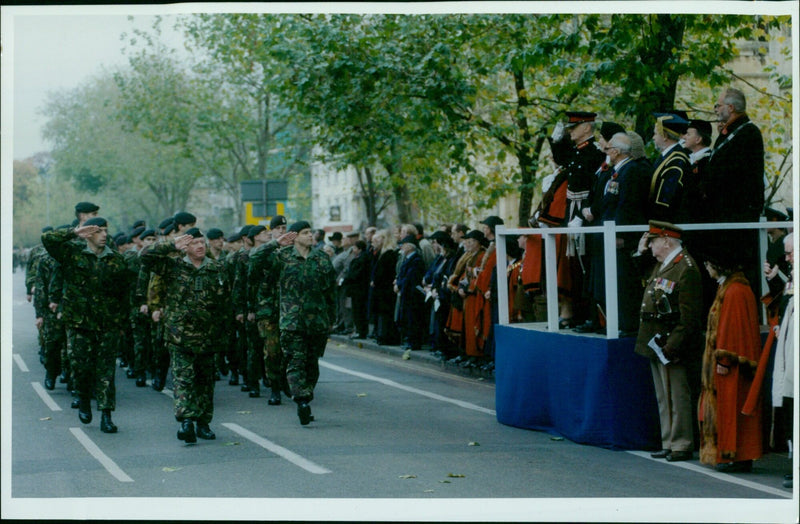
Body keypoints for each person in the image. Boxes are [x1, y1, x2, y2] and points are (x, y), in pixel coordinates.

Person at [142, 228, 230, 444]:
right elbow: (144, 256)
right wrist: (171, 244)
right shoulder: (173, 266)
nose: (199, 246)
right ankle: (186, 422)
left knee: (205, 381)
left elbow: (225, 302)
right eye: (193, 243)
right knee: (184, 379)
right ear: (185, 247)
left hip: (208, 336)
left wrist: (223, 334)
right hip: (179, 335)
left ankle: (203, 422)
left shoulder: (216, 268)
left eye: (202, 242)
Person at [42, 217, 130, 433]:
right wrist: (74, 232)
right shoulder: (72, 254)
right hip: (79, 324)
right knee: (81, 367)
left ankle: (106, 415)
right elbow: (47, 239)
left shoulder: (116, 260)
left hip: (107, 324)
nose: (103, 235)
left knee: (106, 371)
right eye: (98, 231)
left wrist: (121, 322)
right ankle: (83, 400)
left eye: (105, 231)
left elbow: (123, 294)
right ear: (89, 234)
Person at [634, 221, 703, 462]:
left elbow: (690, 316)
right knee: (664, 396)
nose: (650, 245)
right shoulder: (663, 264)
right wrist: (641, 251)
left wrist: (672, 346)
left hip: (672, 343)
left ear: (666, 240)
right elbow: (640, 277)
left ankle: (681, 442)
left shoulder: (685, 267)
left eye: (652, 241)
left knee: (677, 394)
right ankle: (668, 440)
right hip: (656, 340)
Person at [259, 221, 337, 425]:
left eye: (311, 232)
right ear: (295, 236)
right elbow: (255, 261)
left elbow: (331, 292)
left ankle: (305, 393)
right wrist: (274, 243)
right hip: (291, 322)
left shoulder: (321, 259)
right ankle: (302, 401)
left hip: (317, 322)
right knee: (295, 360)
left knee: (312, 364)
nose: (310, 236)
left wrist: (331, 318)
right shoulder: (282, 257)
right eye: (305, 233)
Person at [698, 246, 763, 472]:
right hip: (730, 363)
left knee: (730, 410)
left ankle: (733, 456)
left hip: (732, 367)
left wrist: (723, 360)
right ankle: (733, 455)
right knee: (729, 410)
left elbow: (731, 329)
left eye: (708, 265)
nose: (706, 269)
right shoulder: (730, 287)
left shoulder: (734, 290)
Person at [248, 215, 291, 406]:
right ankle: (275, 388)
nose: (282, 231)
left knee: (290, 351)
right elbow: (253, 259)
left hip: (290, 310)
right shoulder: (266, 251)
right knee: (272, 351)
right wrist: (274, 244)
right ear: (271, 231)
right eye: (278, 228)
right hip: (269, 310)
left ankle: (287, 382)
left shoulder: (293, 251)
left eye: (284, 227)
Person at [771, 234, 794, 488]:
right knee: (790, 409)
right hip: (789, 353)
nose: (786, 257)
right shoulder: (791, 276)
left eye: (789, 253)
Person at [648, 113, 691, 222]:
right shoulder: (665, 156)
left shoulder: (677, 160)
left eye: (655, 134)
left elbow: (665, 200)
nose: (653, 137)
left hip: (666, 221)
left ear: (665, 136)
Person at [394, 234, 427, 354]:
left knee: (413, 318)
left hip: (413, 295)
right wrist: (398, 282)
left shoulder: (416, 260)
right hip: (406, 293)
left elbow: (410, 277)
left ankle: (414, 341)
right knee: (407, 317)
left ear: (410, 247)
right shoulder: (407, 259)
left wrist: (400, 284)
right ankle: (409, 339)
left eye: (404, 245)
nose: (401, 247)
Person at [369, 229, 400, 346]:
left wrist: (375, 281)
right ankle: (382, 335)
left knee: (386, 314)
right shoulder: (383, 253)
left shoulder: (389, 254)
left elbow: (383, 273)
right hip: (382, 290)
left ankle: (387, 337)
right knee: (383, 314)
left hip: (385, 291)